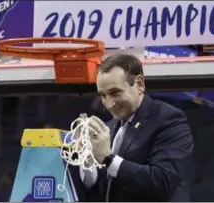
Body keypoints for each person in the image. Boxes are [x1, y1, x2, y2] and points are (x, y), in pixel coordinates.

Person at [72, 54, 194, 201]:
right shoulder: (108, 128)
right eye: (103, 96)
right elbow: (101, 192)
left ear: (139, 84)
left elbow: (162, 181)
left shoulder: (169, 120)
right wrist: (88, 160)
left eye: (115, 93)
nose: (109, 104)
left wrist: (107, 158)